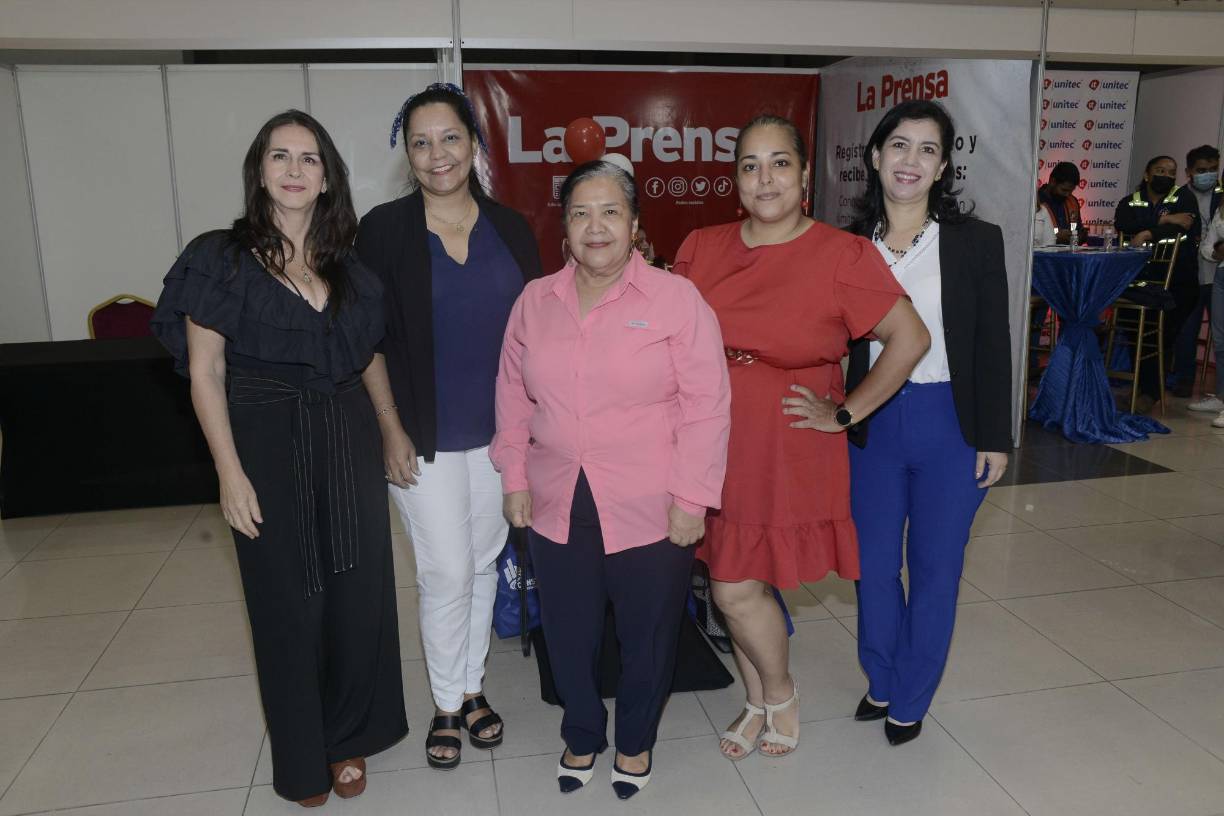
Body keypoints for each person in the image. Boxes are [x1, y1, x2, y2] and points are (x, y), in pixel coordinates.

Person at [150, 110, 407, 807]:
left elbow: (369, 355)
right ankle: (303, 755)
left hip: (348, 438)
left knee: (357, 594)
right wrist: (228, 473)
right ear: (259, 170)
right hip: (264, 443)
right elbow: (205, 373)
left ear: (328, 178)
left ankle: (348, 737)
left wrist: (389, 431)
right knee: (288, 603)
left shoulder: (349, 271)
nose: (295, 170)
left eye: (310, 159)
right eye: (280, 156)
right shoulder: (220, 259)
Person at [672, 114, 930, 761]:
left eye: (779, 163)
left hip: (785, 444)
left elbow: (911, 339)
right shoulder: (702, 247)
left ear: (805, 174)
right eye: (751, 165)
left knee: (734, 584)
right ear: (734, 179)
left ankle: (779, 693)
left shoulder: (842, 255)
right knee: (737, 578)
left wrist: (846, 413)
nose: (766, 178)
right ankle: (758, 701)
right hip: (712, 438)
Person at [492, 161, 731, 799]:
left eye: (609, 212)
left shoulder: (677, 301)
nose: (594, 226)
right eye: (579, 213)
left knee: (647, 631)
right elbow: (512, 397)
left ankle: (635, 741)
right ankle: (581, 730)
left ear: (633, 225)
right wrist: (514, 476)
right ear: (564, 229)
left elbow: (708, 405)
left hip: (653, 502)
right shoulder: (534, 302)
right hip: (555, 498)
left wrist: (692, 499)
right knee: (567, 629)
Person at [355, 82, 543, 770]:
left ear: (475, 143)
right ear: (407, 152)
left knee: (485, 563)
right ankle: (444, 703)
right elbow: (365, 340)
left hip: (501, 436)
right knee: (445, 569)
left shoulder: (512, 229)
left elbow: (538, 335)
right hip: (421, 436)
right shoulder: (382, 230)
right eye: (421, 142)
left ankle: (471, 690)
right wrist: (389, 429)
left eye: (450, 138)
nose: (437, 155)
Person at [845, 100, 1012, 746]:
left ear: (943, 167)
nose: (910, 160)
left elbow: (992, 343)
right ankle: (881, 676)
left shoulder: (975, 243)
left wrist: (996, 437)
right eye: (899, 146)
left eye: (926, 150)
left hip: (952, 423)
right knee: (874, 564)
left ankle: (913, 694)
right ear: (875, 157)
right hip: (874, 424)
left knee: (936, 565)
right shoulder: (847, 247)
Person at [1113, 154, 1196, 412]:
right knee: (1133, 330)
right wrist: (1163, 220)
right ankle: (1142, 385)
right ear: (1147, 175)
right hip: (1137, 282)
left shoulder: (1183, 197)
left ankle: (1149, 392)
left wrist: (1149, 231)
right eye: (1160, 170)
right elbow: (1123, 223)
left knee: (1161, 336)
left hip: (1176, 284)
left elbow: (1183, 226)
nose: (1166, 176)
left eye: (1171, 173)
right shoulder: (1131, 201)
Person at [1174, 145, 1222, 403]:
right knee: (1187, 329)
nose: (1209, 174)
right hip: (1189, 273)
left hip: (1218, 273)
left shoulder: (1223, 195)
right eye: (1202, 170)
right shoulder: (1178, 197)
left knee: (1221, 332)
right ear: (1189, 171)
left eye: (1213, 169)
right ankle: (1184, 379)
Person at [1193, 201, 1224, 426]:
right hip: (1221, 275)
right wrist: (1217, 251)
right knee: (1220, 341)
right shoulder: (1221, 209)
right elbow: (1207, 247)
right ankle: (1221, 397)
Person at [1037, 162, 1083, 245]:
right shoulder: (1036, 202)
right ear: (1052, 181)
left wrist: (1078, 236)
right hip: (1043, 255)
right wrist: (1055, 236)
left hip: (1069, 254)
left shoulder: (1072, 202)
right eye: (1064, 190)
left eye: (1071, 191)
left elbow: (1078, 229)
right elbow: (1031, 234)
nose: (1067, 194)